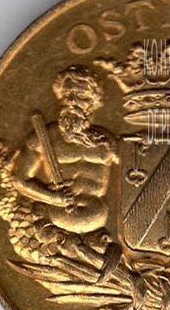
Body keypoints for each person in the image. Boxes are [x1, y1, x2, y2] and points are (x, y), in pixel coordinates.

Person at [12, 65, 117, 234]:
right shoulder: (44, 136)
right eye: (68, 94)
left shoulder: (106, 139)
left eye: (81, 95)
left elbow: (133, 172)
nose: (73, 101)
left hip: (102, 225)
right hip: (57, 224)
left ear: (93, 101)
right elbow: (20, 179)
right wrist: (52, 197)